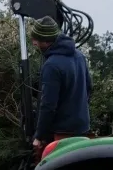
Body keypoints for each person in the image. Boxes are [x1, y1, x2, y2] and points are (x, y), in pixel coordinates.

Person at [29, 16, 93, 156]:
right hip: (82, 128)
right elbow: (89, 88)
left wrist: (39, 136)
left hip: (63, 133)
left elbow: (48, 105)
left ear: (46, 41)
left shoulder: (52, 65)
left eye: (36, 39)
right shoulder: (80, 56)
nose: (34, 43)